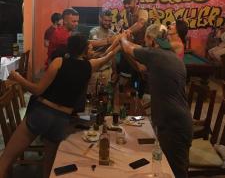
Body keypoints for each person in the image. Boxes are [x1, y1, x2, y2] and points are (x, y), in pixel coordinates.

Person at [0, 33, 119, 178]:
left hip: (42, 113)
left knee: (6, 159)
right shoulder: (90, 66)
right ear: (83, 49)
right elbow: (108, 56)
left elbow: (38, 90)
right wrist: (120, 43)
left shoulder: (59, 62)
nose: (91, 48)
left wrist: (18, 78)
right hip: (61, 120)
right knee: (49, 168)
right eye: (89, 46)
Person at [120, 24, 193, 178]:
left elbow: (128, 47)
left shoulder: (156, 55)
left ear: (152, 40)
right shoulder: (168, 55)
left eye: (146, 41)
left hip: (174, 125)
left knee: (176, 172)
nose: (145, 45)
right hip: (174, 120)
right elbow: (141, 68)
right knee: (166, 168)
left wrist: (123, 37)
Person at [89, 9, 117, 93]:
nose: (107, 23)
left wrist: (115, 71)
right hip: (94, 71)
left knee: (105, 97)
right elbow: (94, 43)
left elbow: (113, 55)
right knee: (91, 96)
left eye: (109, 21)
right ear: (100, 19)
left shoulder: (113, 34)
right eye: (105, 20)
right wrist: (108, 41)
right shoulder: (94, 32)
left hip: (107, 71)